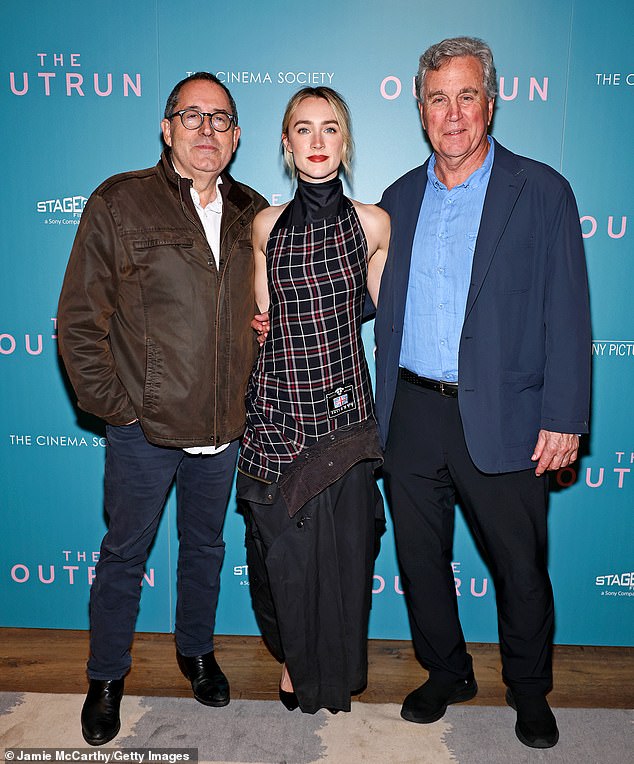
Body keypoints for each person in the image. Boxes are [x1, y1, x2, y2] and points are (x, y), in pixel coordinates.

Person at [374, 37, 591, 749]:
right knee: (419, 561)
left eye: (467, 96)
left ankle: (529, 692)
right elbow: (369, 300)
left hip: (507, 415)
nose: (454, 112)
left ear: (491, 103)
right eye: (438, 98)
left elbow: (569, 309)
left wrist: (564, 416)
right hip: (410, 412)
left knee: (519, 569)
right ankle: (447, 672)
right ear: (421, 110)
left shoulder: (542, 190)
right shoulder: (397, 200)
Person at [57, 72, 267, 746]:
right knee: (125, 554)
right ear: (166, 127)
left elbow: (270, 315)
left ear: (237, 136)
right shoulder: (120, 203)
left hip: (225, 429)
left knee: (205, 548)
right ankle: (107, 678)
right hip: (144, 430)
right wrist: (121, 410)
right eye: (193, 116)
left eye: (221, 119)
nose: (207, 131)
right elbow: (79, 322)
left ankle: (196, 653)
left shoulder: (255, 212)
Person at [237, 86, 390, 714]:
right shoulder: (265, 225)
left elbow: (385, 310)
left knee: (346, 554)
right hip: (277, 409)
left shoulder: (374, 222)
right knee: (283, 554)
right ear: (286, 143)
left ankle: (332, 668)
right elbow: (262, 314)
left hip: (343, 413)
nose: (318, 141)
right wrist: (263, 325)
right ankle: (294, 659)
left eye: (330, 129)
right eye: (304, 129)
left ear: (346, 142)